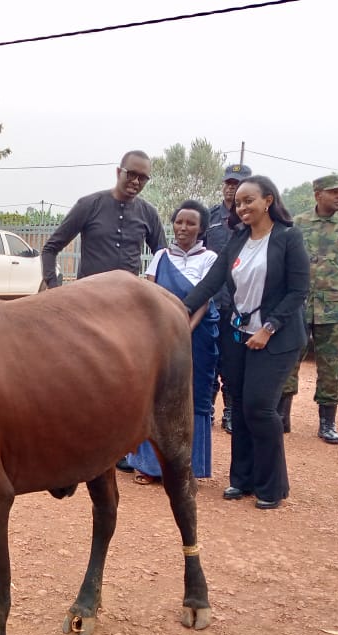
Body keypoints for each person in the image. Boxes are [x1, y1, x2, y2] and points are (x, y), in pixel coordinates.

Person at [182, 176, 310, 510]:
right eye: (238, 202)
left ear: (268, 200)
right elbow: (210, 283)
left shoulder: (288, 237)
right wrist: (178, 310)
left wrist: (269, 327)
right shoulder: (238, 240)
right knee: (238, 405)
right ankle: (242, 479)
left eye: (249, 200)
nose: (242, 207)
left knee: (260, 407)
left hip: (276, 338)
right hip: (238, 335)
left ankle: (272, 486)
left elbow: (299, 290)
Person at [123, 200, 219, 484]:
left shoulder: (209, 258)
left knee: (192, 395)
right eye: (179, 222)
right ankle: (149, 466)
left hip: (196, 336)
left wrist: (184, 329)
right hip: (159, 335)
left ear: (201, 228)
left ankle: (188, 465)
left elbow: (204, 298)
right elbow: (149, 293)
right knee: (154, 393)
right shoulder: (161, 256)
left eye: (191, 223)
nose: (183, 228)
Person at [281, 174, 338, 444]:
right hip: (299, 306)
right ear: (318, 194)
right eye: (333, 192)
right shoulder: (297, 224)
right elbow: (286, 261)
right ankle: (282, 417)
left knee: (331, 366)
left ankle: (327, 423)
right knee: (288, 361)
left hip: (336, 309)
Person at [40, 150, 167, 288]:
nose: (136, 181)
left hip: (127, 301)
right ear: (119, 172)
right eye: (131, 174)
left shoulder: (149, 213)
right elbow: (50, 249)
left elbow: (163, 258)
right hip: (88, 299)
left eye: (142, 178)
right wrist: (54, 288)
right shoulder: (89, 205)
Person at [205, 163, 252, 435]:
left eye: (238, 183)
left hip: (241, 304)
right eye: (229, 183)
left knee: (233, 362)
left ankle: (231, 412)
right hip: (212, 300)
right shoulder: (210, 216)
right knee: (209, 357)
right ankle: (207, 410)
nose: (232, 188)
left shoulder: (252, 218)